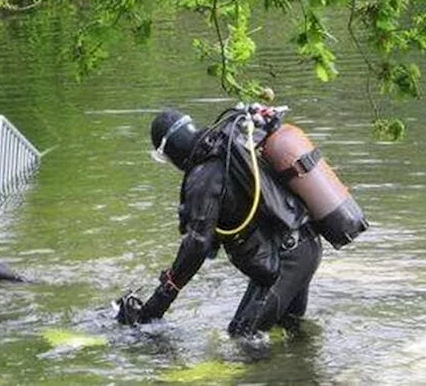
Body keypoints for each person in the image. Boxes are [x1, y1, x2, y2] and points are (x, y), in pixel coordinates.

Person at [115, 105, 324, 337]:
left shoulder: (203, 178)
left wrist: (161, 299)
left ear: (171, 152)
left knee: (243, 338)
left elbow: (197, 245)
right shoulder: (229, 144)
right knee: (290, 329)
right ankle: (304, 371)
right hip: (306, 243)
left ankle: (272, 373)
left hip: (287, 262)